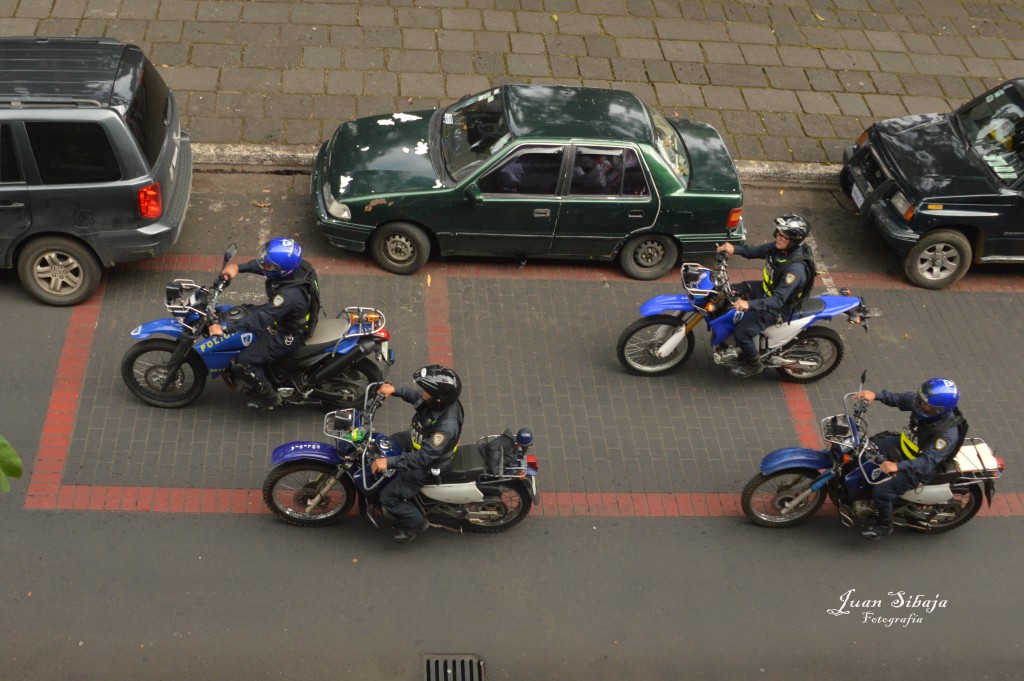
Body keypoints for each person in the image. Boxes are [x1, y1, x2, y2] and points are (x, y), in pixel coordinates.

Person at [208, 237, 320, 410]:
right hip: (285, 317)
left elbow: (262, 318)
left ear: (281, 271)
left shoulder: (288, 297)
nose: (264, 265)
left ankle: (269, 397)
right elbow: (265, 267)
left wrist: (224, 328)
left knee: (245, 361)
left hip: (289, 333)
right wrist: (239, 267)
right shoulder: (297, 268)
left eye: (268, 265)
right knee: (244, 311)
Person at [855, 378, 967, 540]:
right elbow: (900, 398)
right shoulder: (923, 403)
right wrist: (875, 395)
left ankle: (884, 525)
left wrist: (897, 467)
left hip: (917, 467)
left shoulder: (946, 434)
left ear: (940, 410)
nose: (921, 405)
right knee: (867, 445)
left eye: (926, 405)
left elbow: (926, 463)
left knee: (882, 492)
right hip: (902, 446)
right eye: (921, 400)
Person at [371, 365, 465, 543]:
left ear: (438, 397)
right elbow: (417, 397)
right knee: (391, 441)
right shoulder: (438, 402)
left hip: (429, 463)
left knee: (388, 496)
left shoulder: (446, 426)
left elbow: (424, 457)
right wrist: (395, 390)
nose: (423, 391)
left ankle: (415, 523)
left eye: (427, 389)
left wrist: (390, 462)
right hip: (419, 440)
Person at [715, 214, 814, 378]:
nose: (778, 237)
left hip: (778, 307)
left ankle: (754, 364)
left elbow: (777, 300)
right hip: (766, 291)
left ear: (794, 240)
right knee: (730, 291)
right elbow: (756, 251)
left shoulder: (795, 269)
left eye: (783, 236)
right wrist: (734, 249)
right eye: (778, 233)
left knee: (742, 333)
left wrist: (749, 305)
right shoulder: (780, 248)